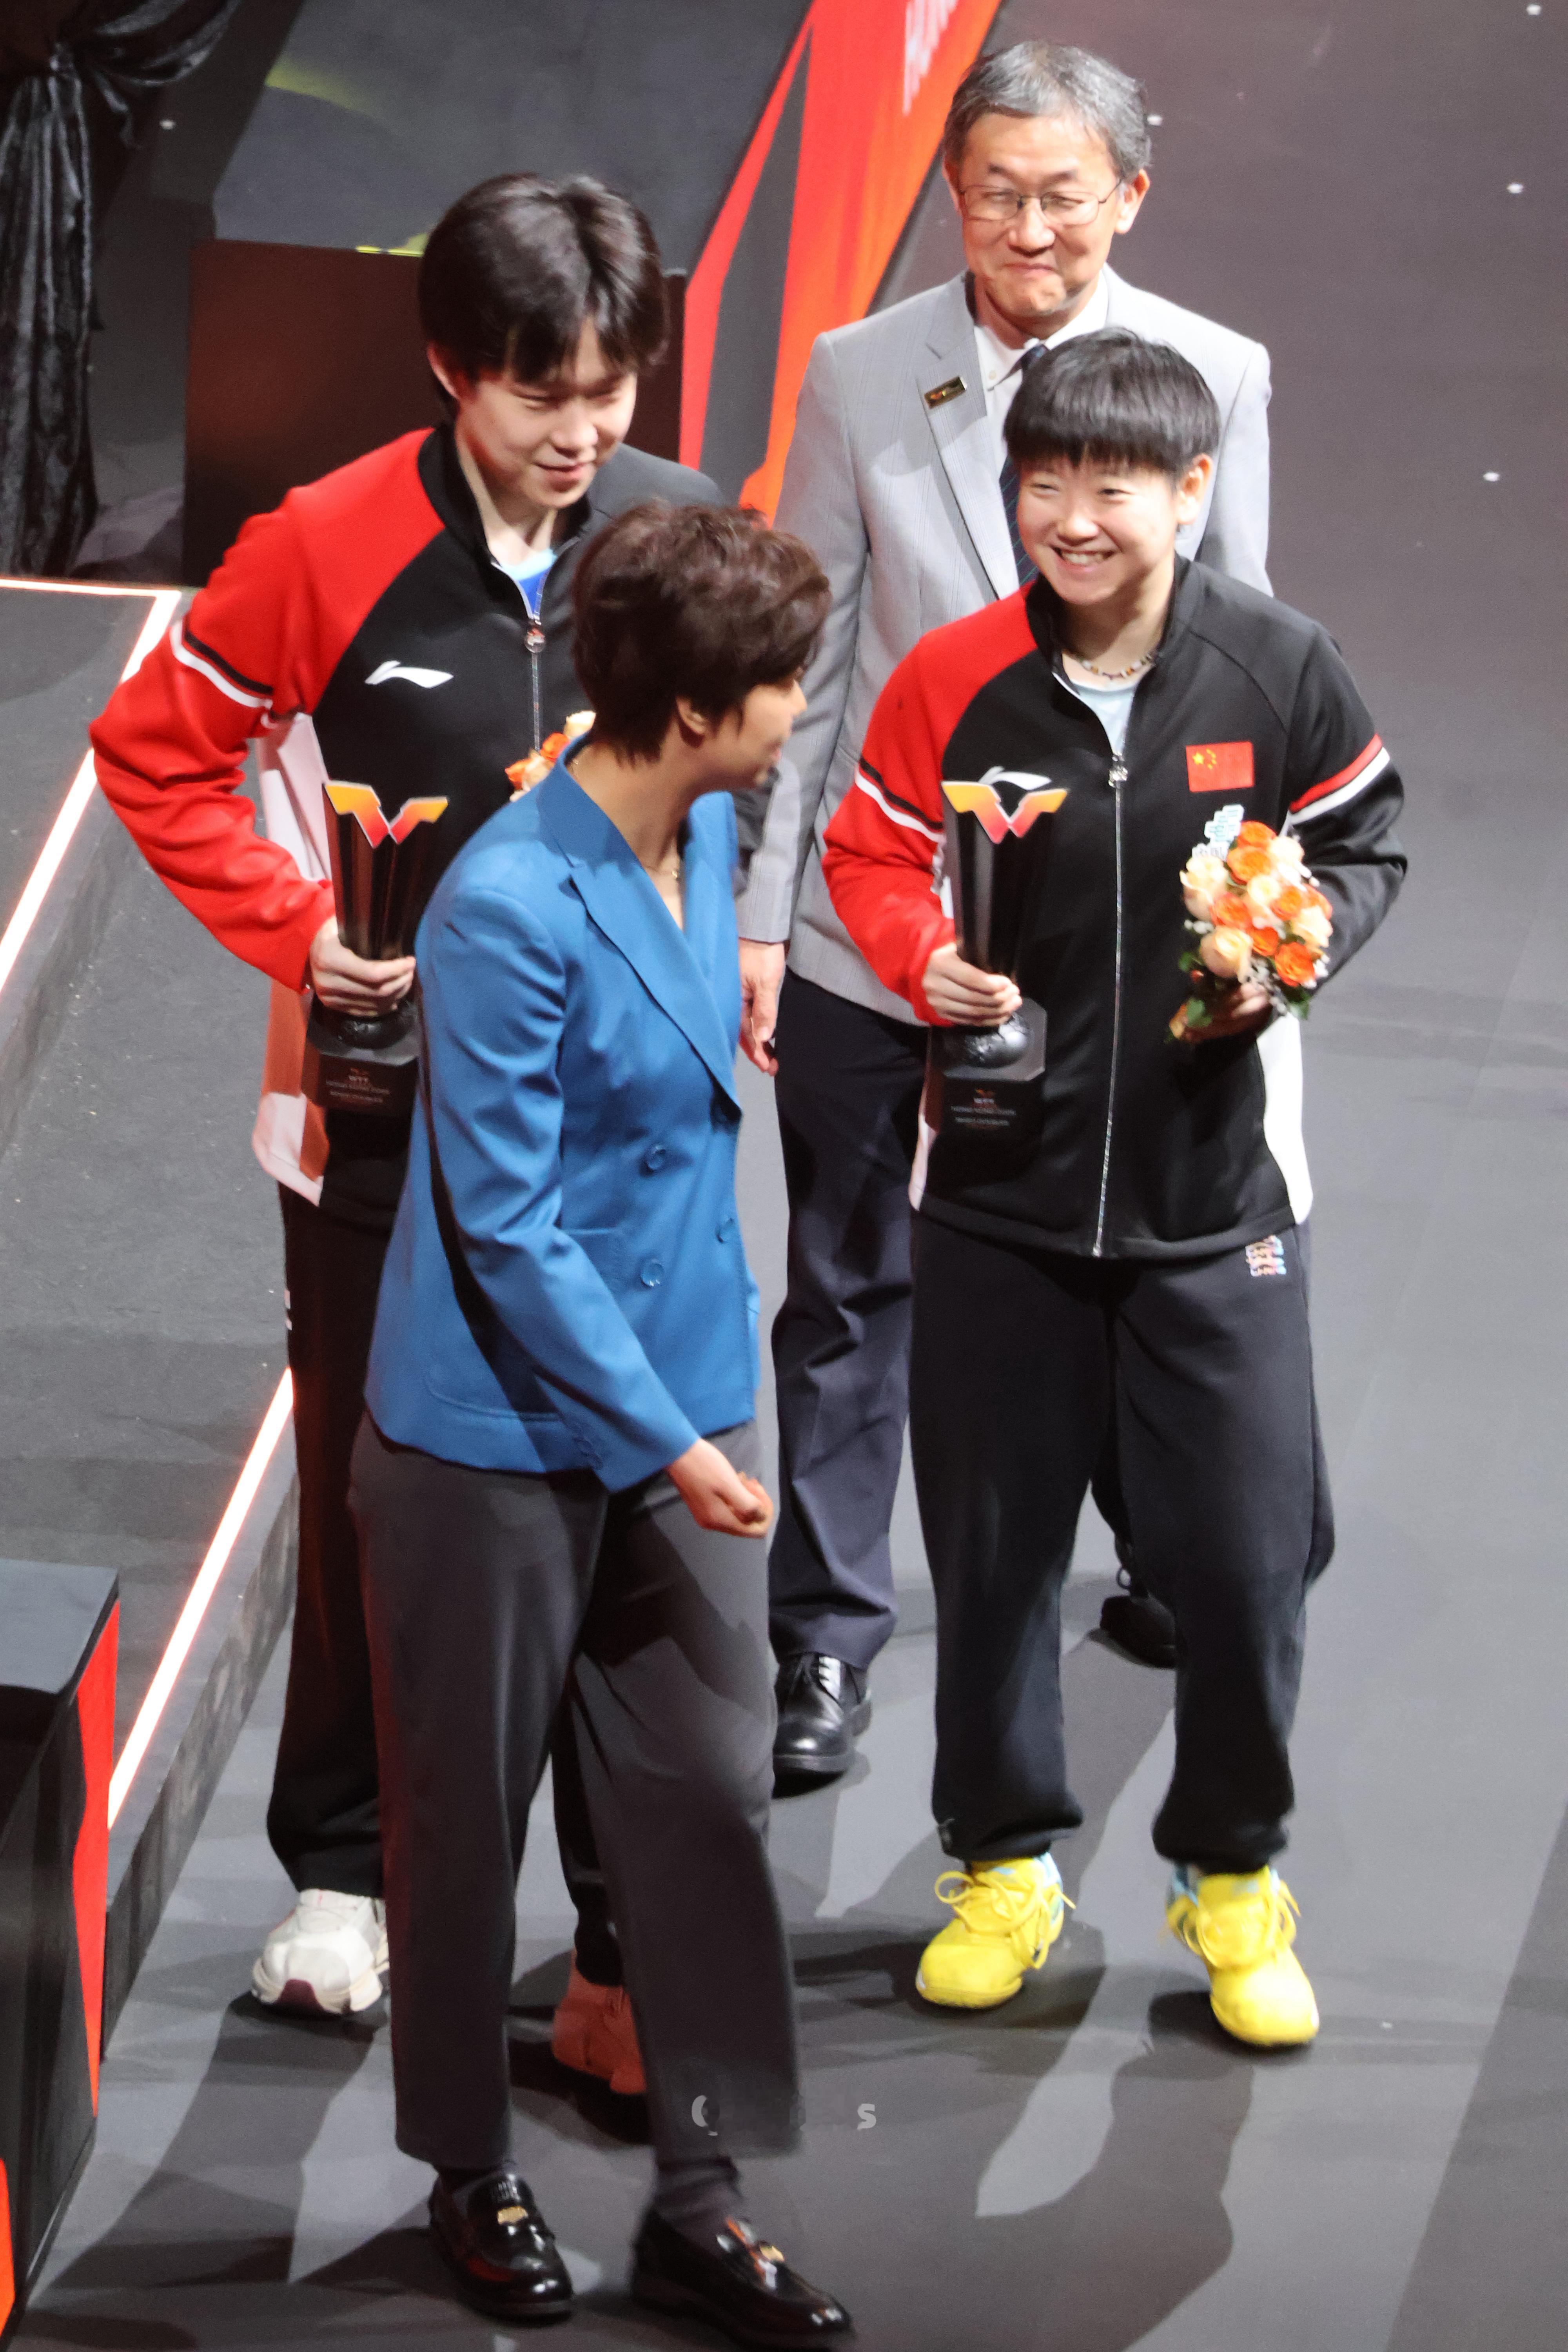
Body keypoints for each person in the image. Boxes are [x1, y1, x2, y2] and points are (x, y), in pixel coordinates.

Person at [89, 173, 722, 2065]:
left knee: (625, 1512)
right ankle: (344, 1875)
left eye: (610, 389)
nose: (583, 431)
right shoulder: (322, 544)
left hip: (614, 1143)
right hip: (377, 1124)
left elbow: (743, 773)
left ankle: (617, 1930)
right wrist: (303, 933)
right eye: (543, 392)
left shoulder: (677, 534)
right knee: (373, 1501)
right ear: (453, 365)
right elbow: (158, 756)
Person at [819, 330, 1405, 2042]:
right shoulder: (952, 679)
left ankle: (1232, 1878)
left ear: (1192, 490)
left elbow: (1364, 840)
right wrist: (918, 953)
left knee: (1242, 1567)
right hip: (998, 1205)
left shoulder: (1281, 668)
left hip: (1219, 1211)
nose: (1073, 518)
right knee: (993, 1565)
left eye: (1114, 487)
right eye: (1044, 483)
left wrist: (1294, 949)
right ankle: (1002, 1867)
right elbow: (868, 844)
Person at [738, 39, 1276, 1780]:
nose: (1028, 231)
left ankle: (1158, 1550)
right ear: (953, 195)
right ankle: (826, 1644)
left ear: (1131, 195)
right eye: (994, 195)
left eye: (1063, 198)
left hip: (1102, 948)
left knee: (1101, 1264)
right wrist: (764, 912)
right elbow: (812, 659)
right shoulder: (858, 371)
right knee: (845, 1286)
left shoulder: (1216, 374)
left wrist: (1232, 925)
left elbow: (1240, 660)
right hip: (872, 922)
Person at [350, 502, 850, 2343]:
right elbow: (507, 1226)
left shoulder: (704, 824)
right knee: (461, 1824)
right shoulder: (503, 902)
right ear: (701, 707)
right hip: (490, 1438)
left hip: (683, 1391)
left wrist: (695, 1420)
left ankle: (703, 2201)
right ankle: (467, 2169)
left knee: (709, 1797)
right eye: (781, 681)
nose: (798, 706)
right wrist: (670, 1446)